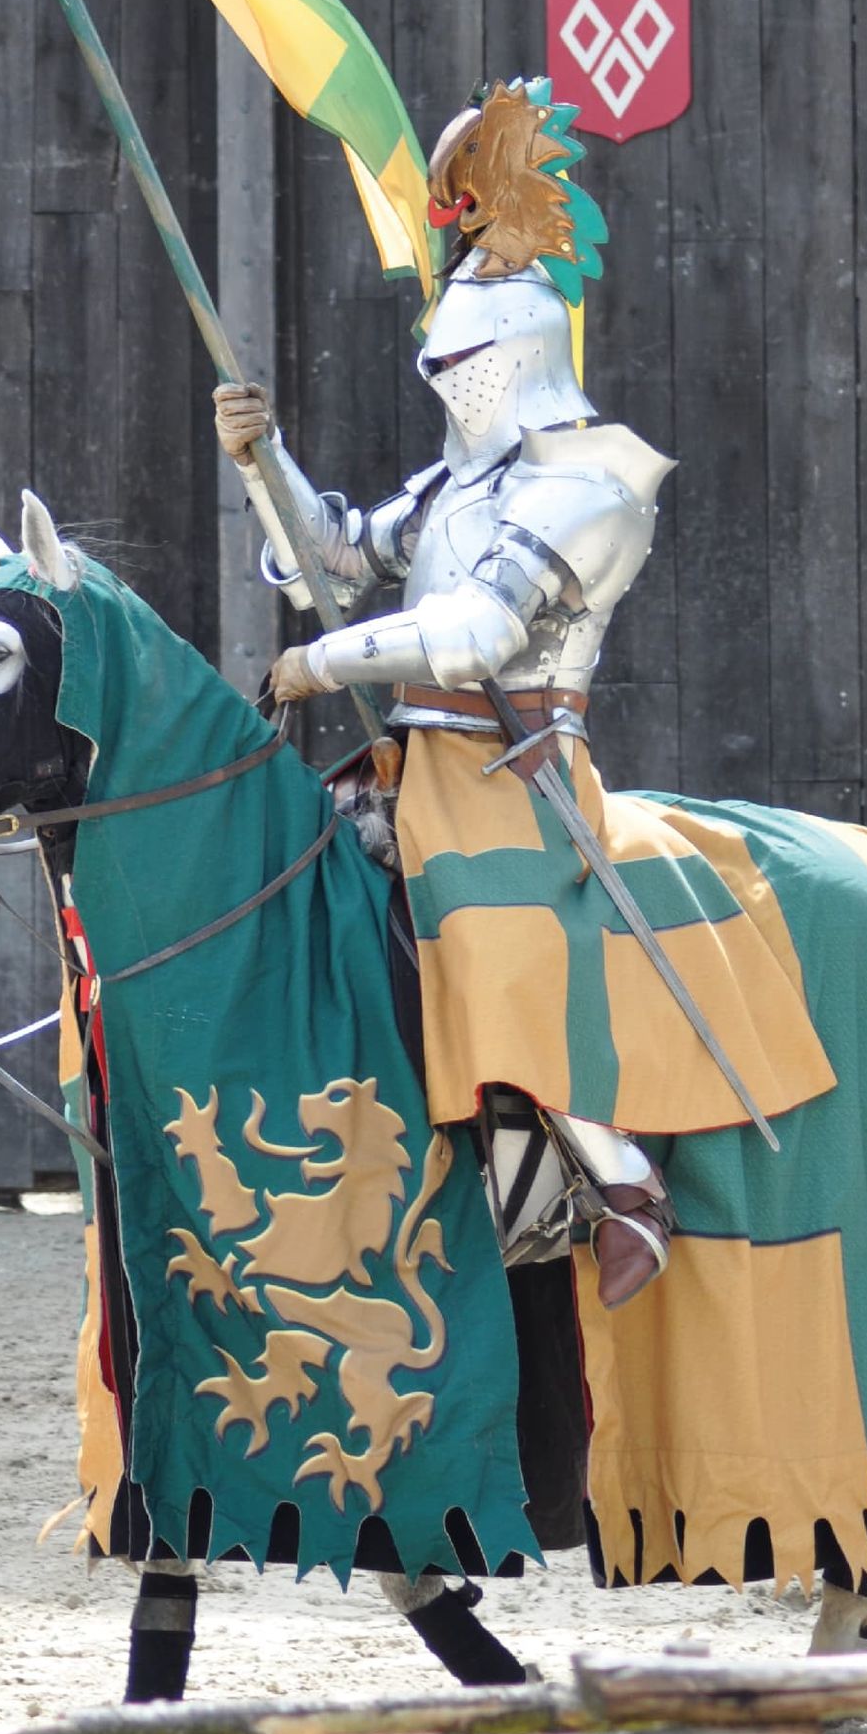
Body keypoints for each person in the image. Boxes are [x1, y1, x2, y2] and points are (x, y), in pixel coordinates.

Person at [214, 80, 692, 1308]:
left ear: (518, 352)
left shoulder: (588, 486)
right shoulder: (451, 487)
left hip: (518, 779)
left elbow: (478, 634)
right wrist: (264, 457)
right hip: (415, 772)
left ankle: (617, 1178)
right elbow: (329, 554)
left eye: (466, 363)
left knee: (484, 944)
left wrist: (320, 664)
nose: (450, 383)